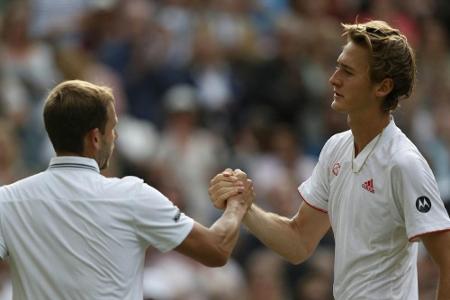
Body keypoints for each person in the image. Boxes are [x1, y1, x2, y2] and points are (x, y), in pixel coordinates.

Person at [209, 20, 450, 300]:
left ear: (382, 86)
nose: (333, 78)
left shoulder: (404, 163)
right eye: (338, 67)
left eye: (347, 72)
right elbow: (298, 241)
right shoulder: (336, 148)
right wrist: (245, 207)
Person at [0, 79, 253, 300]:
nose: (116, 137)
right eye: (113, 128)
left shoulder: (7, 201)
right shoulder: (132, 196)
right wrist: (237, 205)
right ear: (96, 138)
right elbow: (217, 249)